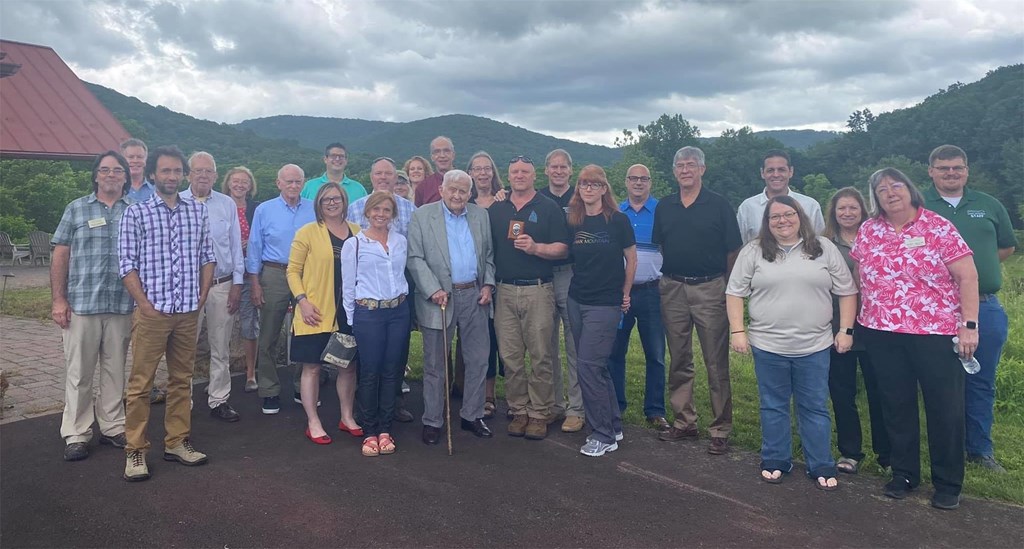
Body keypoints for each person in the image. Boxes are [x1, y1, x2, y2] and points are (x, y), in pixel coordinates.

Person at [851, 167, 979, 511]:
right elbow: (856, 274)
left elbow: (967, 276)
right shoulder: (869, 230)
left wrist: (969, 324)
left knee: (945, 408)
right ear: (875, 198)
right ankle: (904, 473)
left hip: (934, 333)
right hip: (882, 333)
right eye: (881, 190)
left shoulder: (937, 227)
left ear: (910, 189)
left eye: (896, 186)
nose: (890, 193)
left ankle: (948, 482)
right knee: (895, 405)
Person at [727, 196, 858, 490]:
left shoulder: (824, 249)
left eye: (788, 214)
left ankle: (820, 463)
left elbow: (847, 291)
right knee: (773, 405)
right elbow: (734, 292)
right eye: (775, 217)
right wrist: (737, 331)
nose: (782, 221)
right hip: (768, 345)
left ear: (800, 216)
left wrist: (846, 330)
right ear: (767, 222)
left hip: (814, 345)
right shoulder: (753, 251)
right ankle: (775, 458)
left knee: (814, 406)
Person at [119, 145, 215, 481]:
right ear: (152, 175)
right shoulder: (136, 213)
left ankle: (177, 442)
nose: (172, 176)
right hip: (153, 312)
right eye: (165, 171)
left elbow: (207, 256)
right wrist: (144, 304)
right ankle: (135, 450)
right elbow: (127, 264)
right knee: (141, 385)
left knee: (181, 381)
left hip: (188, 311)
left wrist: (202, 294)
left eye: (177, 171)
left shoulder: (197, 212)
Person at [923, 145, 1017, 474]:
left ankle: (979, 448)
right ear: (930, 170)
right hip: (933, 308)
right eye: (944, 168)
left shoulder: (989, 205)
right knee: (939, 380)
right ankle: (943, 444)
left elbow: (1005, 247)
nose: (951, 173)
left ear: (967, 170)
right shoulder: (917, 205)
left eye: (957, 168)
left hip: (985, 306)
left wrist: (973, 277)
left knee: (981, 378)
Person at [652, 146, 741, 455]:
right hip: (673, 286)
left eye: (691, 165)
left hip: (710, 287)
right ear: (675, 171)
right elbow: (662, 244)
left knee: (715, 361)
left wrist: (727, 287)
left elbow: (733, 249)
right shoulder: (665, 205)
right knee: (678, 358)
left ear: (703, 169)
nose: (685, 170)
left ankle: (720, 429)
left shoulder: (718, 205)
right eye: (680, 165)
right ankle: (684, 421)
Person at [51, 151, 134, 462]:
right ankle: (77, 432)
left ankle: (113, 426)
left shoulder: (135, 212)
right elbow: (60, 253)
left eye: (116, 171)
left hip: (121, 304)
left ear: (126, 177)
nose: (110, 175)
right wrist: (58, 299)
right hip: (82, 304)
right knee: (79, 373)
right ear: (96, 176)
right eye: (104, 170)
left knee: (115, 371)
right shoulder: (76, 209)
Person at [408, 170, 496, 444]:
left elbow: (489, 255)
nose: (457, 195)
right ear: (442, 190)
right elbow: (415, 258)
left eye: (463, 191)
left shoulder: (480, 215)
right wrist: (432, 288)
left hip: (474, 294)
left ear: (470, 193)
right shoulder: (422, 215)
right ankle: (433, 419)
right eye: (453, 190)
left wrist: (488, 285)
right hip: (439, 296)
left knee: (478, 359)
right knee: (435, 363)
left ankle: (472, 414)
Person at [488, 155, 569, 440]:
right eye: (514, 172)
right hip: (505, 290)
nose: (519, 175)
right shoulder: (498, 208)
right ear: (508, 176)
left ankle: (539, 412)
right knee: (510, 356)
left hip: (538, 289)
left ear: (535, 175)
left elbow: (563, 249)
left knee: (540, 354)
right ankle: (518, 409)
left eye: (525, 171)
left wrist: (536, 248)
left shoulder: (548, 207)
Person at [565, 165, 637, 456]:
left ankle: (602, 434)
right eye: (584, 184)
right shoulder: (574, 220)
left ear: (605, 189)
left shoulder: (617, 220)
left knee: (588, 367)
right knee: (598, 367)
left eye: (595, 184)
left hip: (605, 303)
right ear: (579, 189)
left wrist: (626, 293)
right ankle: (614, 425)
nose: (589, 189)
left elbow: (631, 260)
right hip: (576, 299)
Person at [287, 182, 362, 445]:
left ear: (344, 201)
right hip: (315, 311)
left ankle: (346, 416)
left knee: (348, 367)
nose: (332, 203)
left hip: (348, 312)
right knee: (312, 367)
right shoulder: (306, 232)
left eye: (336, 198)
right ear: (318, 204)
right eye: (326, 199)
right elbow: (292, 271)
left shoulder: (358, 232)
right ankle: (313, 421)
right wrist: (302, 302)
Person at [822, 187, 889, 474]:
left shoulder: (877, 238)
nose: (847, 213)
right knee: (842, 391)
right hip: (836, 327)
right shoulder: (823, 244)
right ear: (833, 213)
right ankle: (850, 451)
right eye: (841, 209)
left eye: (853, 208)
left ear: (863, 210)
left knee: (881, 392)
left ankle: (886, 454)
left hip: (876, 327)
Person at [342, 191, 411, 457]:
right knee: (370, 372)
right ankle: (369, 430)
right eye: (376, 210)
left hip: (398, 311)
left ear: (393, 214)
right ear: (367, 213)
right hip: (368, 313)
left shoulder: (400, 241)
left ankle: (386, 428)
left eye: (386, 210)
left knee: (392, 370)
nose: (381, 214)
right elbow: (348, 286)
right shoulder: (355, 245)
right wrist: (351, 320)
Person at [246, 164, 317, 415]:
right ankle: (269, 390)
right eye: (289, 182)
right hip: (274, 272)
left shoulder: (313, 208)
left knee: (306, 331)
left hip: (306, 274)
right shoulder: (265, 210)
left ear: (303, 183)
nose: (294, 186)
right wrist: (254, 282)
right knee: (268, 334)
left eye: (298, 182)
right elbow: (255, 246)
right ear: (279, 183)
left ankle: (302, 386)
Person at [180, 152, 244, 423]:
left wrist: (237, 284)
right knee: (184, 346)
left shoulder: (227, 204)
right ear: (188, 174)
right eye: (198, 171)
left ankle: (219, 398)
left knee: (221, 346)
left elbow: (235, 246)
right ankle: (182, 402)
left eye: (208, 171)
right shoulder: (175, 202)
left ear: (216, 176)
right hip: (187, 285)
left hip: (221, 283)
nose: (203, 176)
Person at [607, 164, 669, 432]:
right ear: (626, 182)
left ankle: (655, 410)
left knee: (655, 353)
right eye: (634, 178)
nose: (639, 183)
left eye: (644, 179)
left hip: (652, 292)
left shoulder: (662, 212)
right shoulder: (615, 212)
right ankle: (616, 405)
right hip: (621, 293)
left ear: (650, 182)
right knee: (615, 353)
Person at [540, 149, 584, 433]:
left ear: (571, 170)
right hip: (541, 275)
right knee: (545, 344)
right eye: (553, 166)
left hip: (571, 274)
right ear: (546, 170)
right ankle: (552, 405)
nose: (558, 171)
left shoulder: (580, 198)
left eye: (563, 167)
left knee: (574, 343)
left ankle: (576, 408)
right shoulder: (536, 197)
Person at [467, 151, 505, 417]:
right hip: (472, 279)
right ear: (470, 173)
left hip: (502, 277)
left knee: (500, 337)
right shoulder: (462, 202)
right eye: (477, 169)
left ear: (493, 172)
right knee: (480, 338)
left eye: (487, 168)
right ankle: (478, 392)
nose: (482, 173)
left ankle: (499, 392)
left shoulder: (505, 201)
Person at [222, 166, 261, 392]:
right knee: (221, 327)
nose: (239, 185)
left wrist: (249, 245)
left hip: (248, 274)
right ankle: (220, 375)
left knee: (249, 324)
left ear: (250, 185)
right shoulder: (219, 206)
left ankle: (250, 373)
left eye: (244, 181)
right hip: (223, 272)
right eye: (235, 181)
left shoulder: (256, 209)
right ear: (228, 183)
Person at [736, 150, 825, 244]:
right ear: (762, 173)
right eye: (770, 170)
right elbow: (742, 246)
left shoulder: (810, 206)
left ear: (791, 172)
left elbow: (820, 243)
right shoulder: (747, 207)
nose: (776, 175)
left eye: (781, 170)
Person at [348, 158, 417, 237]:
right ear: (371, 177)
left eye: (388, 173)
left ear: (395, 177)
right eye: (378, 173)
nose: (383, 177)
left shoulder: (411, 209)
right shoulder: (353, 209)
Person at [301, 142, 367, 203]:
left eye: (341, 156)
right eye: (333, 156)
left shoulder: (359, 189)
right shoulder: (309, 186)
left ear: (346, 160)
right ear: (325, 159)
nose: (337, 159)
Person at [414, 136, 455, 206]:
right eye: (437, 152)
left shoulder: (466, 182)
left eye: (446, 151)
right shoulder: (423, 187)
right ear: (432, 157)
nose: (442, 155)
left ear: (453, 155)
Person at [121, 138, 154, 203]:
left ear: (145, 159)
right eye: (130, 157)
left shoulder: (157, 192)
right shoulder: (116, 190)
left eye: (140, 157)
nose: (135, 161)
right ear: (122, 160)